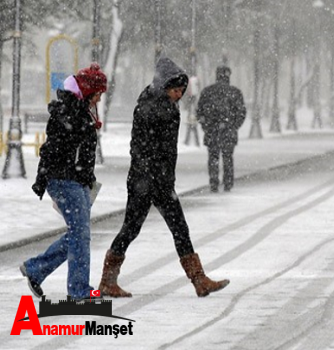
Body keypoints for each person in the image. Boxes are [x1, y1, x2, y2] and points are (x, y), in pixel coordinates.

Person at [98, 57, 229, 298]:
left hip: (155, 180)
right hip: (148, 181)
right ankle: (108, 281)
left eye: (181, 91)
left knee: (167, 227)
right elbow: (142, 148)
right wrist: (154, 176)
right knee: (137, 228)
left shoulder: (161, 104)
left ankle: (199, 280)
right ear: (164, 86)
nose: (179, 95)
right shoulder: (153, 108)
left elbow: (162, 149)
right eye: (176, 90)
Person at [21, 63, 107, 300]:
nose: (99, 100)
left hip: (74, 180)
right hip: (64, 180)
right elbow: (53, 149)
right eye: (98, 94)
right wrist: (46, 177)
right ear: (89, 91)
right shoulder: (70, 111)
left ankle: (36, 269)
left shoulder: (79, 111)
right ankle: (78, 290)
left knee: (78, 233)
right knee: (80, 233)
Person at [196, 66, 246, 192]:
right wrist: (233, 126)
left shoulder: (207, 92)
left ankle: (214, 182)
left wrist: (206, 126)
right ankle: (228, 182)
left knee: (213, 158)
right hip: (228, 132)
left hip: (212, 131)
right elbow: (241, 113)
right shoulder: (235, 92)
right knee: (228, 157)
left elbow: (199, 112)